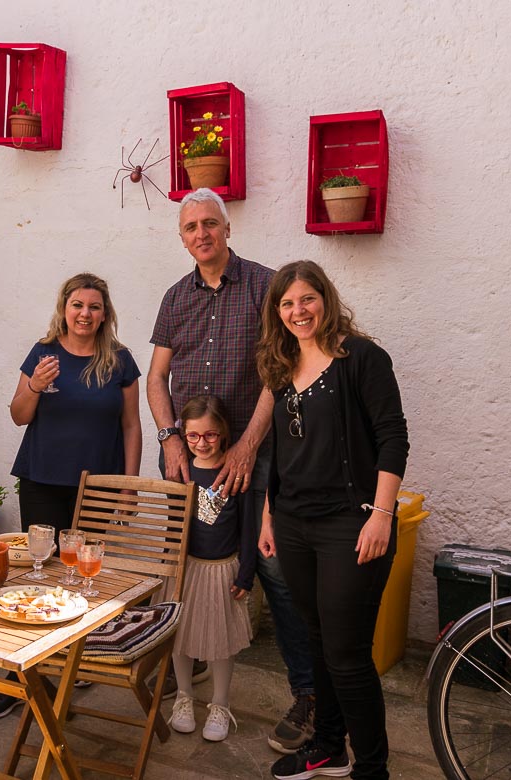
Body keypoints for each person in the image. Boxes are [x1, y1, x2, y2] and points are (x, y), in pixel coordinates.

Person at [147, 187, 316, 751]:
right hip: (187, 454)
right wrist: (170, 439)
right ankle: (184, 670)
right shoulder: (175, 298)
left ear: (226, 228)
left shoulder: (267, 286)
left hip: (256, 451)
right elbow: (156, 379)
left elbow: (280, 369)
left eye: (210, 224)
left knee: (270, 568)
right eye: (191, 227)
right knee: (181, 563)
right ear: (182, 237)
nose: (202, 234)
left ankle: (309, 694)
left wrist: (247, 446)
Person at [256, 261, 408, 780]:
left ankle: (372, 767)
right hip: (294, 525)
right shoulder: (280, 367)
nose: (298, 311)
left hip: (352, 523)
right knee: (317, 641)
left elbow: (393, 437)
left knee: (346, 653)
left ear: (326, 299)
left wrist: (382, 515)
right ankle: (327, 748)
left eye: (307, 299)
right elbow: (282, 451)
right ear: (277, 313)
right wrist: (269, 517)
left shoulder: (362, 358)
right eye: (287, 303)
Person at [0, 272, 143, 720]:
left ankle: (69, 662)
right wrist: (34, 384)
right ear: (64, 308)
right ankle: (21, 679)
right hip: (43, 479)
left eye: (94, 306)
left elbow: (131, 426)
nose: (85, 314)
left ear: (104, 313)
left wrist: (128, 487)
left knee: (80, 578)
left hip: (98, 490)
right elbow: (17, 416)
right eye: (77, 305)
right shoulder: (43, 353)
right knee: (37, 573)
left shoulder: (120, 360)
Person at [167, 395, 257, 743]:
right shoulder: (181, 472)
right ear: (183, 435)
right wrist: (168, 566)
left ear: (223, 433)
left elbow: (249, 527)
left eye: (209, 436)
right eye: (192, 436)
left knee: (222, 641)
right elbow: (174, 524)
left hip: (224, 568)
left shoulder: (235, 473)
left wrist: (246, 571)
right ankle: (184, 697)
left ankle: (220, 703)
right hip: (186, 568)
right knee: (181, 637)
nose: (201, 443)